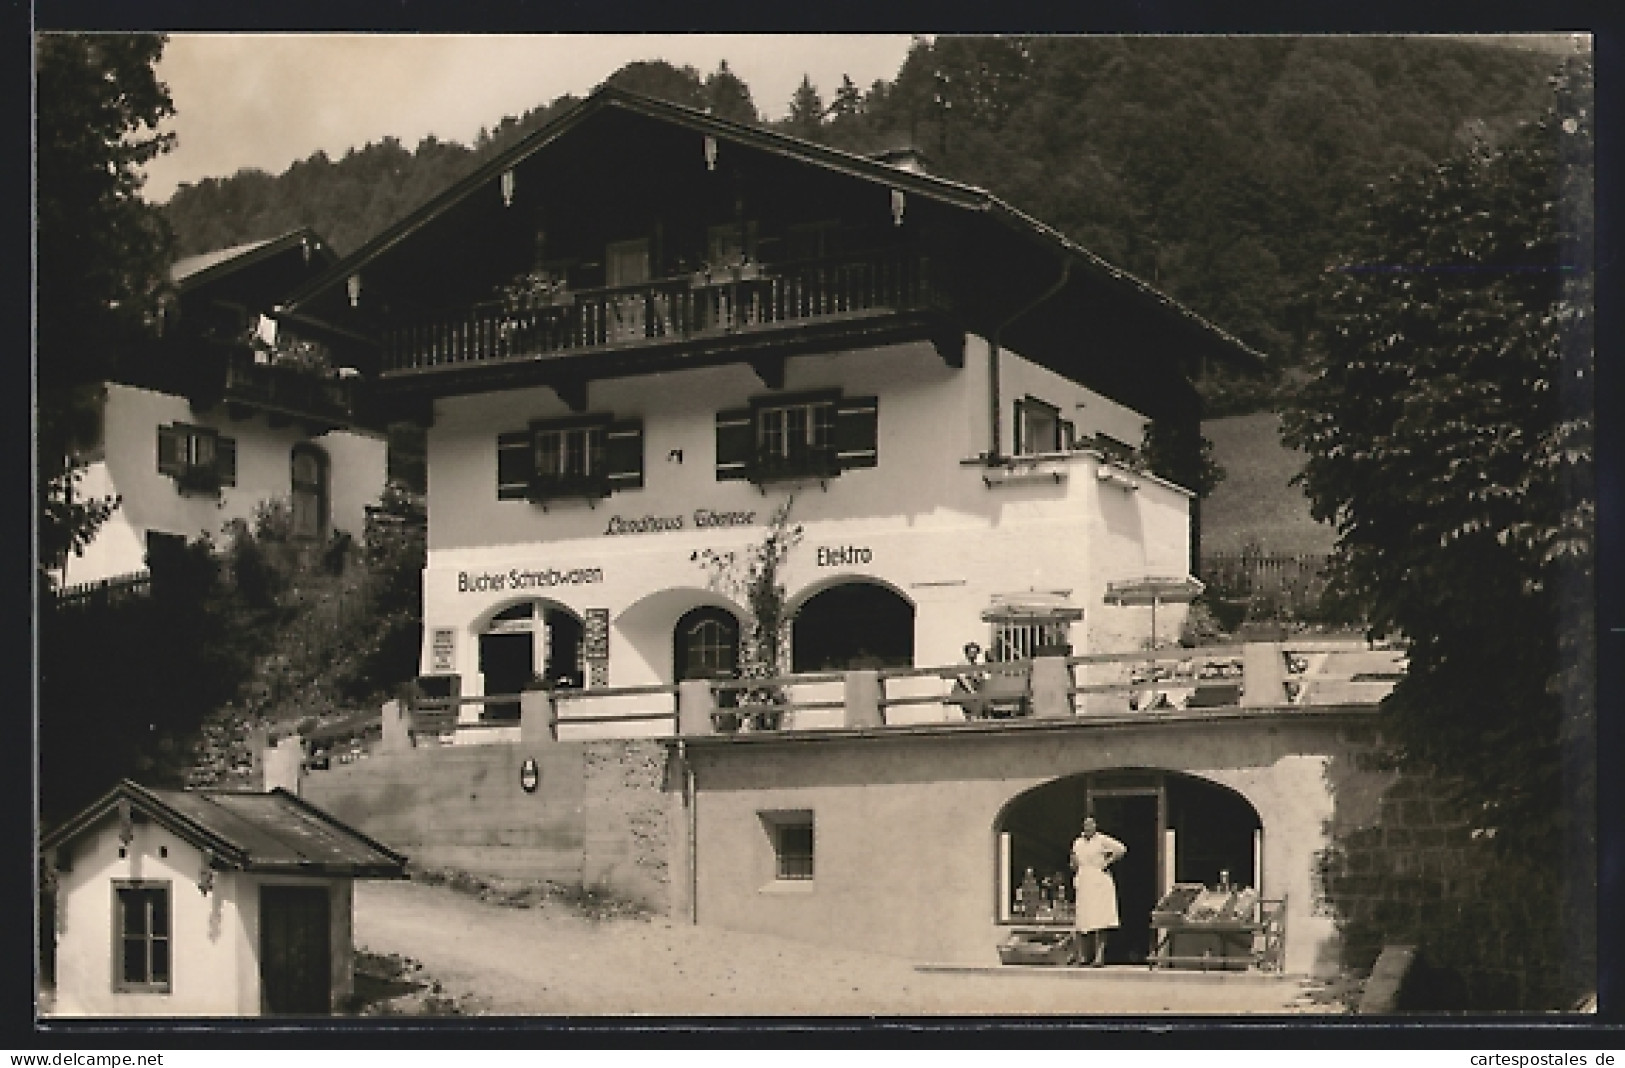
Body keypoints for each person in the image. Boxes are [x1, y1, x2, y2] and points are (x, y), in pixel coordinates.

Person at [1070, 815, 1127, 966]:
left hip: (1099, 879)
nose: (1088, 828)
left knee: (1100, 919)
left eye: (1091, 825)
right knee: (1084, 919)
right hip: (1084, 879)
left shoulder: (1102, 840)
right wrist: (1074, 866)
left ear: (1095, 826)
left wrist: (1107, 862)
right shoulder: (1078, 842)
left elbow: (1121, 849)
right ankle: (1083, 956)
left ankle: (1099, 956)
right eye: (1085, 825)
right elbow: (1074, 859)